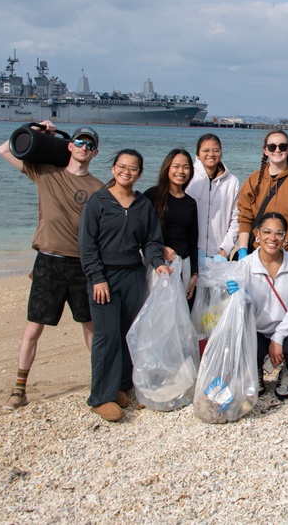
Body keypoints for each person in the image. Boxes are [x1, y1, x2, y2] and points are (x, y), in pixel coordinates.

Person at [0, 122, 104, 411]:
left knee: (90, 327)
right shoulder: (45, 173)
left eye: (90, 145)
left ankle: (100, 382)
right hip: (47, 262)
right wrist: (36, 129)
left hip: (81, 265)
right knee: (33, 329)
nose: (84, 148)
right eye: (80, 142)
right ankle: (19, 390)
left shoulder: (98, 188)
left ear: (95, 153)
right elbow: (4, 149)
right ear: (69, 146)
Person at [79, 149, 171, 422]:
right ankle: (100, 397)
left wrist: (158, 263)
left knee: (128, 333)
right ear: (113, 169)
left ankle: (119, 387)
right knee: (106, 337)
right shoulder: (98, 202)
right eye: (121, 166)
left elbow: (151, 241)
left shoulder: (143, 205)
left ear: (139, 174)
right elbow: (87, 245)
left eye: (132, 169)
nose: (126, 172)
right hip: (104, 276)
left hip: (132, 274)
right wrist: (97, 277)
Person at [229, 213, 288, 400]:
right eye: (267, 232)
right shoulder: (244, 266)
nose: (272, 238)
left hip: (287, 329)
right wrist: (234, 295)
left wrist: (278, 338)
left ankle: (287, 374)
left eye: (279, 233)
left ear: (285, 237)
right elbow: (238, 311)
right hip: (256, 328)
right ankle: (256, 372)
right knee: (247, 348)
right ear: (257, 234)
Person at [235, 130, 288, 267]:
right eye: (272, 147)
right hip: (259, 251)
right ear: (265, 151)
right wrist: (243, 249)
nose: (277, 150)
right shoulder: (254, 180)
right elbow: (245, 216)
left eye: (283, 146)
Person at [144, 148, 200, 302]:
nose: (181, 171)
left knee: (179, 319)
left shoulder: (190, 203)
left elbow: (193, 239)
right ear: (167, 168)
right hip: (158, 264)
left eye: (186, 167)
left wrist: (195, 274)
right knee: (156, 317)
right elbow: (141, 232)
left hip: (184, 264)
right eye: (176, 166)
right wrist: (160, 248)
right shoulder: (152, 196)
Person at [188, 133, 240, 261]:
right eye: (205, 150)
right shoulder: (189, 178)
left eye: (215, 150)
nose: (211, 154)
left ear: (221, 153)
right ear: (198, 154)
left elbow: (237, 219)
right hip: (191, 253)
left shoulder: (232, 182)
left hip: (220, 255)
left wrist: (225, 250)